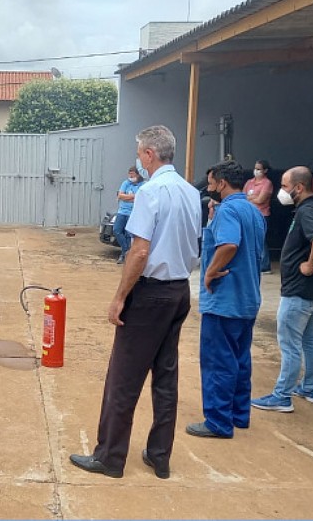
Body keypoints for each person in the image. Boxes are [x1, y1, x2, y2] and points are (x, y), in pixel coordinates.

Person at [69, 125, 201, 479]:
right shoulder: (191, 192)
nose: (138, 160)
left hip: (151, 294)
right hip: (179, 290)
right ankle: (160, 455)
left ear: (149, 154)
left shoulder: (150, 192)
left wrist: (120, 297)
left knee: (123, 378)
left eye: (139, 153)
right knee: (165, 377)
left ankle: (109, 457)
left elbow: (140, 251)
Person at [187, 160, 266, 438]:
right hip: (247, 299)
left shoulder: (228, 210)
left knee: (218, 362)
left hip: (225, 300)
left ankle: (218, 422)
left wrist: (210, 272)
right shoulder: (253, 211)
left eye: (211, 183)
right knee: (240, 360)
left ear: (221, 183)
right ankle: (238, 415)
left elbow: (229, 244)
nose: (209, 188)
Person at [251, 166, 313, 412]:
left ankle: (282, 396)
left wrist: (310, 263)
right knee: (307, 339)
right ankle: (309, 387)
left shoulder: (308, 211)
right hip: (312, 289)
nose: (282, 191)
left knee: (289, 343)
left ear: (299, 187)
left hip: (299, 289)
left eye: (285, 186)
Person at [243, 159, 274, 273]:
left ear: (265, 170)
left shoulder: (267, 183)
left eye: (259, 169)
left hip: (261, 214)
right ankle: (253, 263)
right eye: (255, 168)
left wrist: (250, 198)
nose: (256, 171)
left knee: (260, 240)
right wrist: (254, 197)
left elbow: (261, 200)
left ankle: (265, 265)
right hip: (249, 214)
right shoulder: (249, 182)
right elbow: (243, 196)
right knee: (250, 239)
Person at [113, 166, 144, 264]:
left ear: (138, 175)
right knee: (116, 230)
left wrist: (125, 197)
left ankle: (124, 255)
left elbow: (140, 198)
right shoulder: (125, 183)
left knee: (128, 234)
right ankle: (126, 250)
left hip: (133, 213)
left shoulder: (142, 185)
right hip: (122, 211)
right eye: (129, 174)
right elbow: (120, 195)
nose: (130, 176)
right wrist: (132, 197)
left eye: (132, 174)